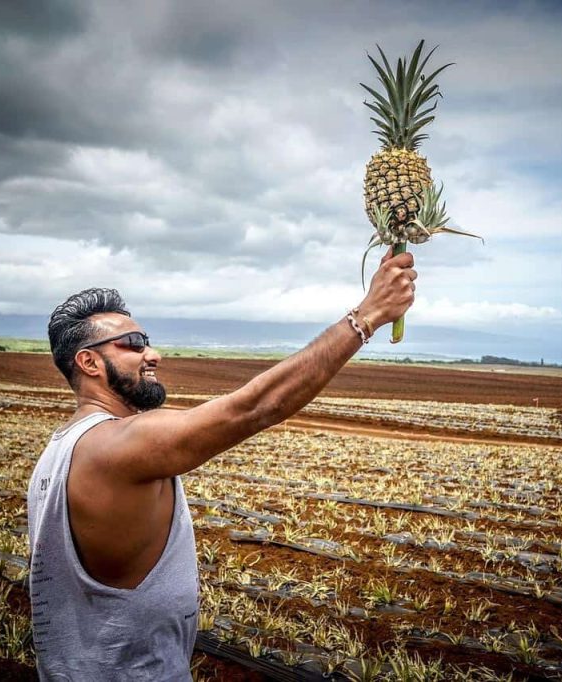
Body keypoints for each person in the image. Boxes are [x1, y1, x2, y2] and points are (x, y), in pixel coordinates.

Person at [26, 248, 417, 680]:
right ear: (88, 362)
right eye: (134, 344)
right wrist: (366, 317)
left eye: (148, 340)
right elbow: (253, 408)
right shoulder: (114, 446)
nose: (153, 353)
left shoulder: (61, 449)